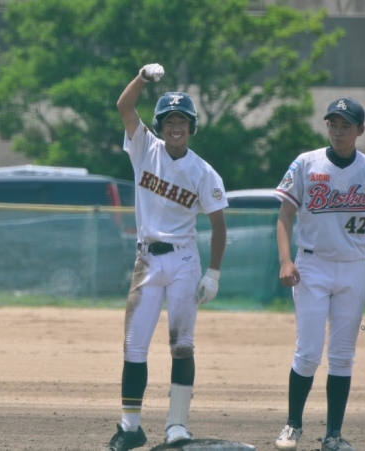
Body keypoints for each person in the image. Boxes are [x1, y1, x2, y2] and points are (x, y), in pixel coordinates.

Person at [103, 63, 227, 451]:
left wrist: (213, 273)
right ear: (159, 126)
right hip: (146, 260)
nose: (176, 127)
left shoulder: (203, 172)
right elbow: (124, 107)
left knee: (182, 345)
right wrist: (142, 78)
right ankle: (130, 427)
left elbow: (219, 226)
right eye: (169, 121)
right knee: (134, 345)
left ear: (192, 127)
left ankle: (177, 425)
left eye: (182, 121)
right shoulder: (145, 148)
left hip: (183, 262)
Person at [273, 97, 365, 451]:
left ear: (360, 130)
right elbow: (285, 215)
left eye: (346, 126)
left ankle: (333, 435)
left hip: (353, 268)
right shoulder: (306, 164)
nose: (338, 131)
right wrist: (285, 260)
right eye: (333, 124)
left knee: (342, 355)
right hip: (312, 265)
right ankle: (292, 425)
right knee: (308, 352)